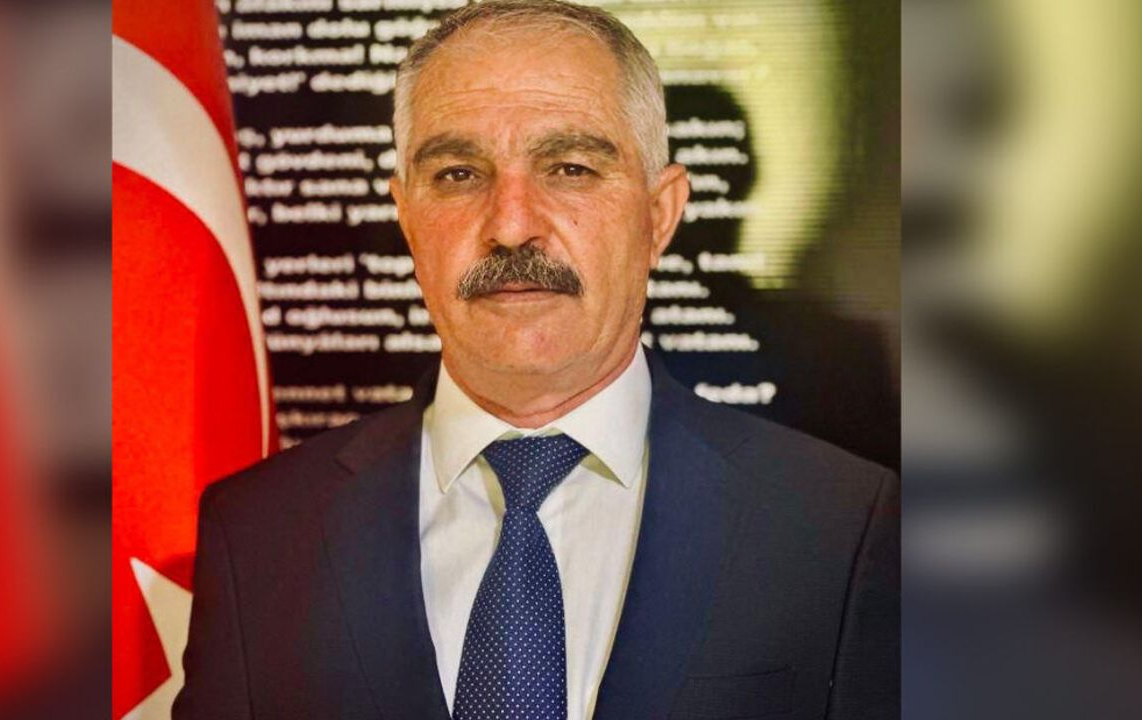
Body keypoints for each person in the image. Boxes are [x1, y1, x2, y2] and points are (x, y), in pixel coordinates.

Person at [174, 1, 898, 718]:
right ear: (407, 218)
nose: (511, 224)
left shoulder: (840, 526)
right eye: (458, 174)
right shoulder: (258, 533)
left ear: (659, 214)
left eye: (570, 168)